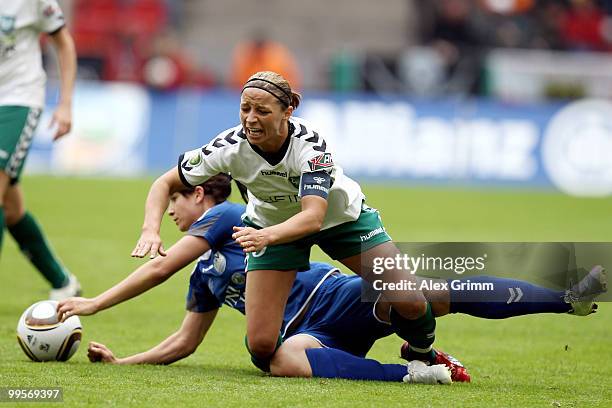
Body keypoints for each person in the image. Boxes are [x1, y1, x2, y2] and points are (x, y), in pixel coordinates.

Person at [57, 174, 606, 384]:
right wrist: (122, 363)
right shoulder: (203, 279)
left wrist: (93, 305)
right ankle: (415, 376)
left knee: (427, 292)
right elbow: (184, 341)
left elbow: (158, 265)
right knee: (281, 360)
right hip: (315, 337)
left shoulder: (227, 218)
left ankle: (569, 299)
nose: (172, 214)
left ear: (199, 196)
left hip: (334, 296)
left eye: (175, 204)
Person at [132, 70, 442, 372]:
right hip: (271, 225)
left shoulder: (311, 148)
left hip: (339, 220)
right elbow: (164, 183)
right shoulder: (228, 147)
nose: (250, 118)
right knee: (262, 347)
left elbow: (313, 217)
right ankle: (323, 351)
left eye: (262, 111)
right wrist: (150, 229)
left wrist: (266, 237)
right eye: (245, 108)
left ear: (287, 112)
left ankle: (424, 357)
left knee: (410, 300)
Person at [0, 0, 81, 300]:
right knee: (11, 209)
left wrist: (65, 103)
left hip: (18, 99)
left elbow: (64, 43)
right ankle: (62, 282)